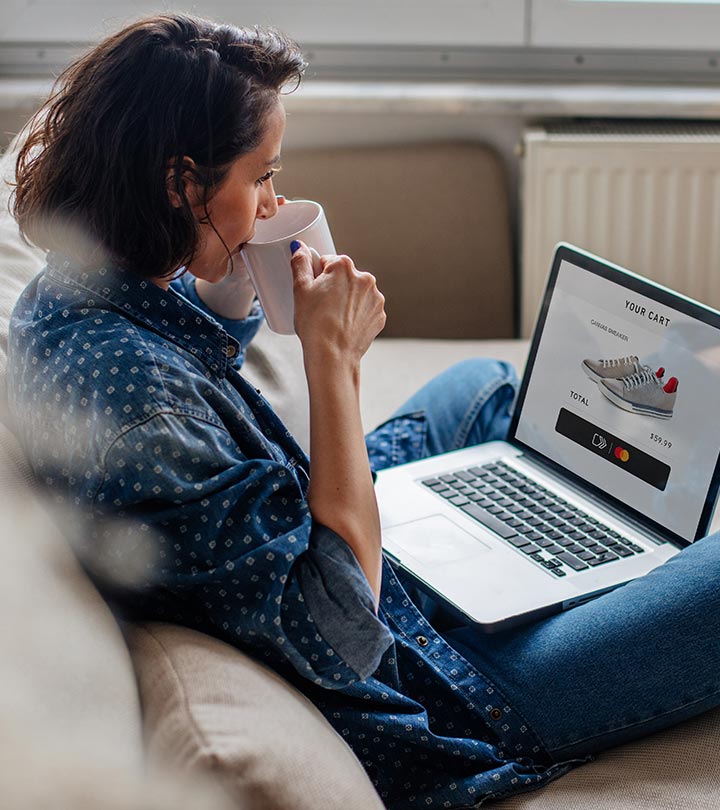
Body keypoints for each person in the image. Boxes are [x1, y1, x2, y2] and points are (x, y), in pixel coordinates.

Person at [7, 13, 720, 810]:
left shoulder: (77, 290)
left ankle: (582, 536)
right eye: (260, 178)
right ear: (182, 184)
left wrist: (239, 283)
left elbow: (188, 363)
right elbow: (343, 627)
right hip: (441, 684)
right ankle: (600, 559)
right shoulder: (139, 406)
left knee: (481, 385)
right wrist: (332, 361)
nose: (275, 199)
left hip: (354, 569)